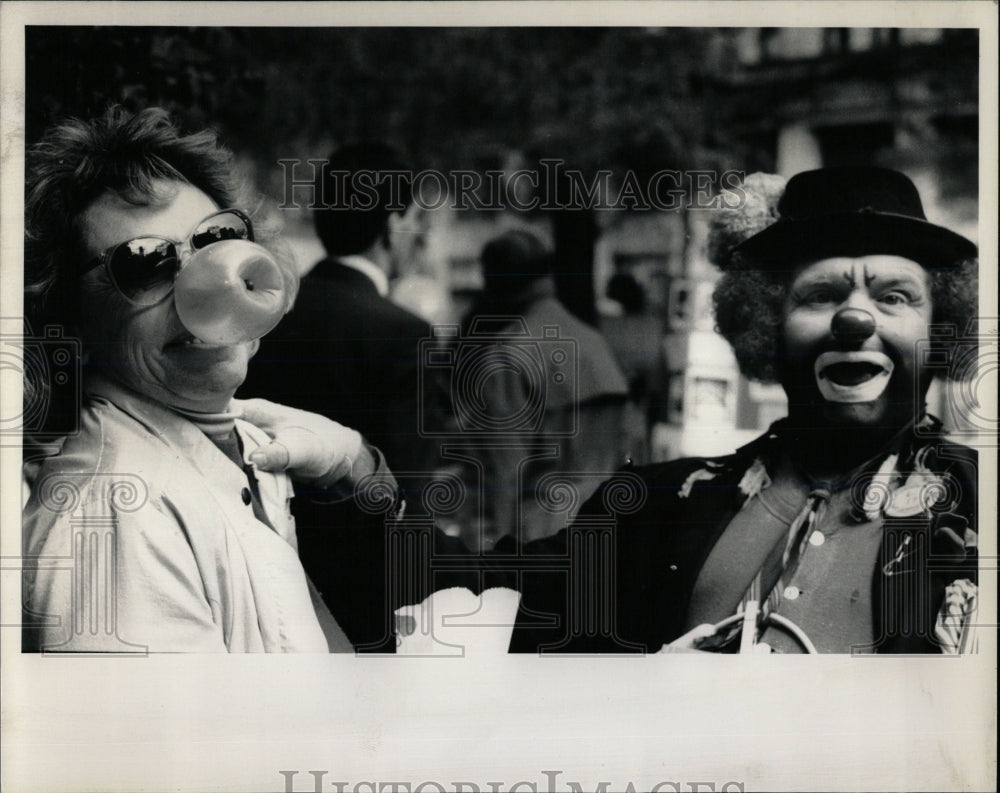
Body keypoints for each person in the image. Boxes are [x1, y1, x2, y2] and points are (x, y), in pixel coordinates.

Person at [501, 167, 980, 654]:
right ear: (766, 324)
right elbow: (496, 597)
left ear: (939, 329)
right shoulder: (650, 506)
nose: (853, 320)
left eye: (894, 297)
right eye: (821, 295)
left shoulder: (984, 506)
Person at [20, 107, 404, 653]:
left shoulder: (248, 444)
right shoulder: (114, 523)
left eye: (216, 240)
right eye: (146, 262)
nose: (206, 285)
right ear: (70, 320)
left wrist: (358, 464)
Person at [241, 141, 448, 481]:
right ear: (392, 224)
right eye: (416, 217)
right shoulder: (405, 335)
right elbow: (407, 491)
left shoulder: (269, 308)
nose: (421, 235)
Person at [459, 229, 630, 543]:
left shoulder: (508, 354)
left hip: (539, 536)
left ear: (493, 284)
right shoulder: (594, 343)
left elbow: (505, 473)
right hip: (608, 525)